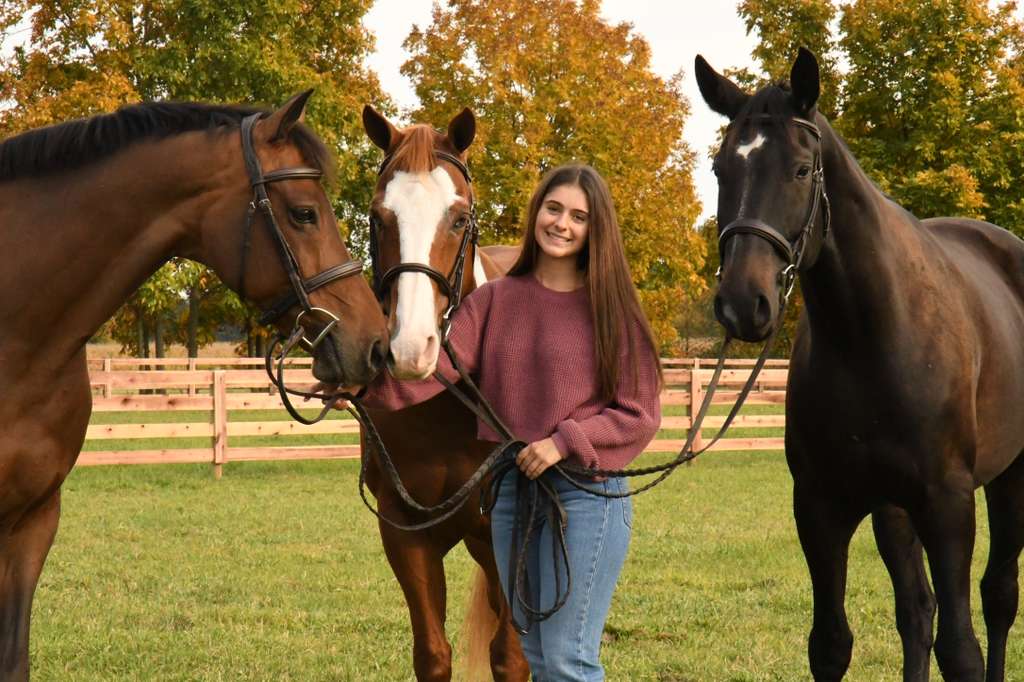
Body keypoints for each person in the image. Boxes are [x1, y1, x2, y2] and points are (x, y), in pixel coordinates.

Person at [359, 163, 662, 681]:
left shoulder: (612, 308)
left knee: (567, 659)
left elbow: (640, 413)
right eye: (553, 208)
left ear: (596, 228)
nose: (561, 223)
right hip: (512, 498)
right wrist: (359, 389)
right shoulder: (493, 302)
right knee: (537, 657)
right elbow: (439, 373)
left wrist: (564, 442)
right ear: (535, 213)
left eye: (578, 216)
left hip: (584, 497)